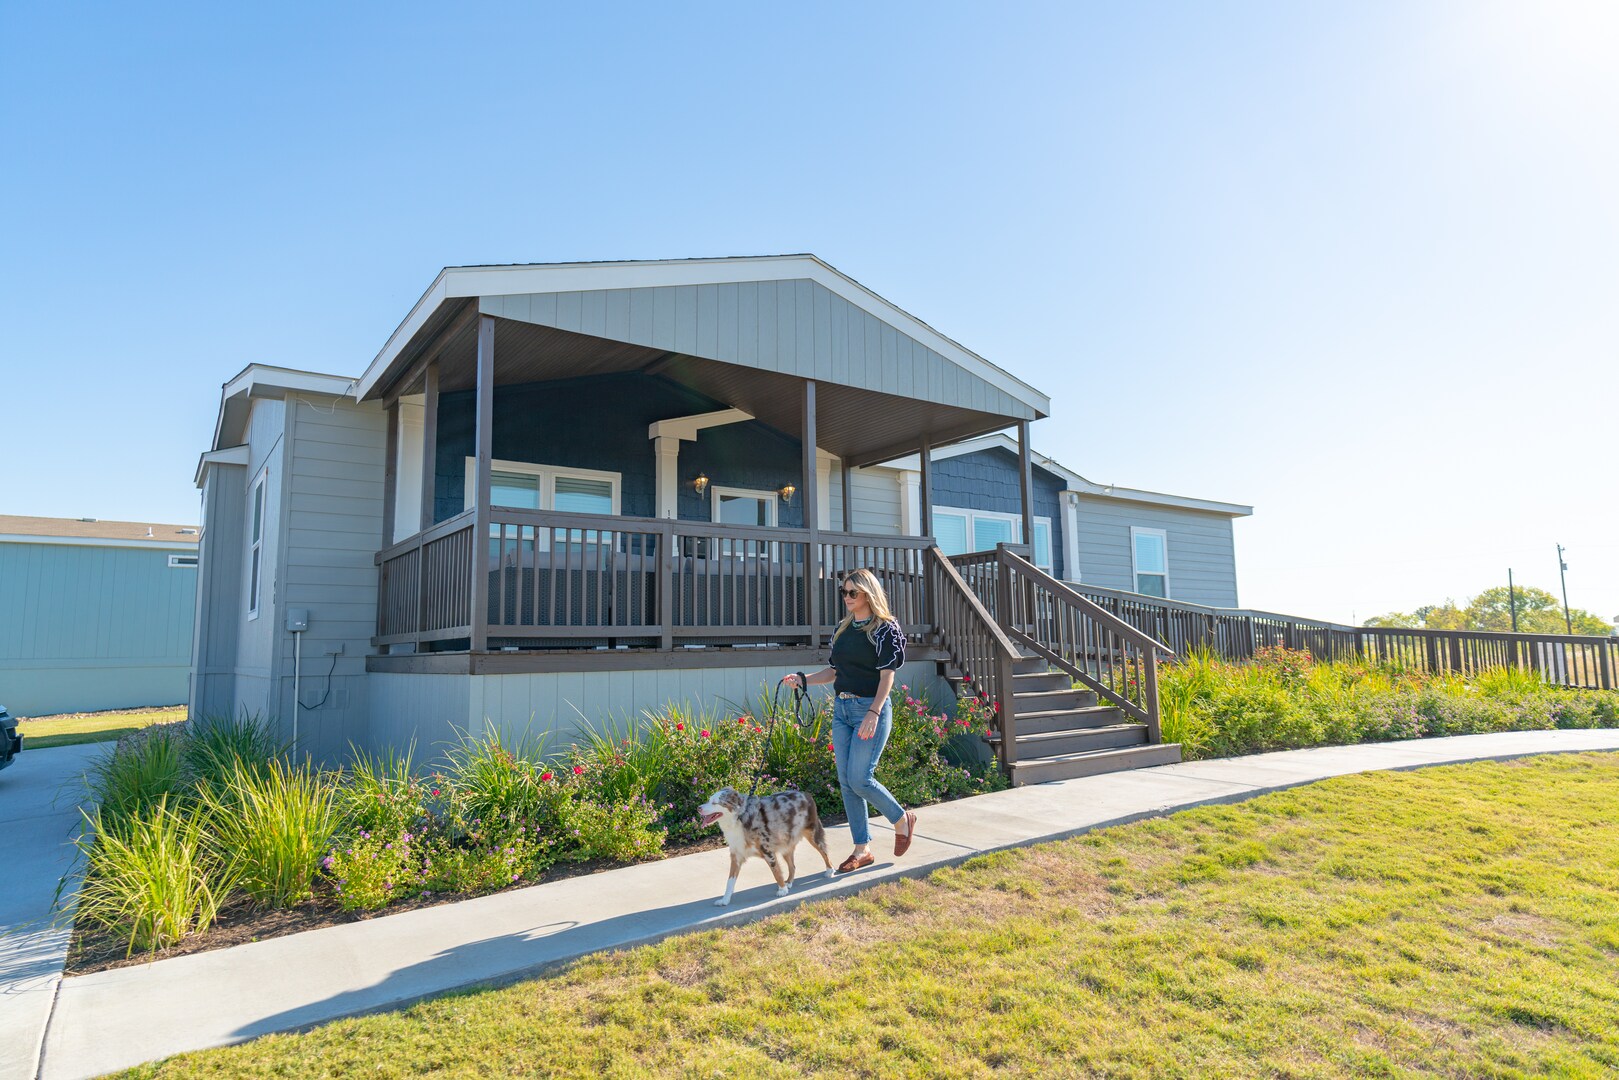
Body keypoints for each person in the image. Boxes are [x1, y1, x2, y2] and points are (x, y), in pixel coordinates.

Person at [783, 567, 916, 873]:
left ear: (868, 593)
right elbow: (834, 671)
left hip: (869, 708)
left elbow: (887, 676)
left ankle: (901, 819)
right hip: (842, 710)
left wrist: (874, 712)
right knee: (846, 782)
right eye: (844, 591)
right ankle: (862, 848)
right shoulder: (842, 629)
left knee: (860, 778)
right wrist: (803, 680)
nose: (847, 597)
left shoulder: (884, 628)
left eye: (853, 592)